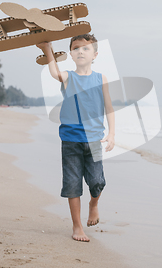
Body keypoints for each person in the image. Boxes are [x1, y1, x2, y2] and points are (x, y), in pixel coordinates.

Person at [37, 34, 115, 242]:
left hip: (95, 139)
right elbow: (54, 72)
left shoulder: (101, 79)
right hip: (71, 138)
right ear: (71, 54)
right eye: (76, 48)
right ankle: (77, 226)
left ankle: (94, 204)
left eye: (86, 48)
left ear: (95, 54)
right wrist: (47, 49)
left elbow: (109, 107)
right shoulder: (68, 77)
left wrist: (112, 134)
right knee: (72, 183)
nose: (80, 51)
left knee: (97, 181)